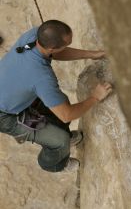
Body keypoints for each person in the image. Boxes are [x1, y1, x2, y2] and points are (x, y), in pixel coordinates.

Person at [0, 20, 112, 172]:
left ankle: (54, 131)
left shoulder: (35, 35)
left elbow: (55, 51)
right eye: (67, 44)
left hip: (10, 91)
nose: (68, 45)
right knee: (60, 140)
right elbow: (67, 115)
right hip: (5, 116)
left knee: (61, 102)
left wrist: (91, 54)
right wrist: (95, 97)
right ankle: (54, 163)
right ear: (52, 47)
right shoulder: (42, 77)